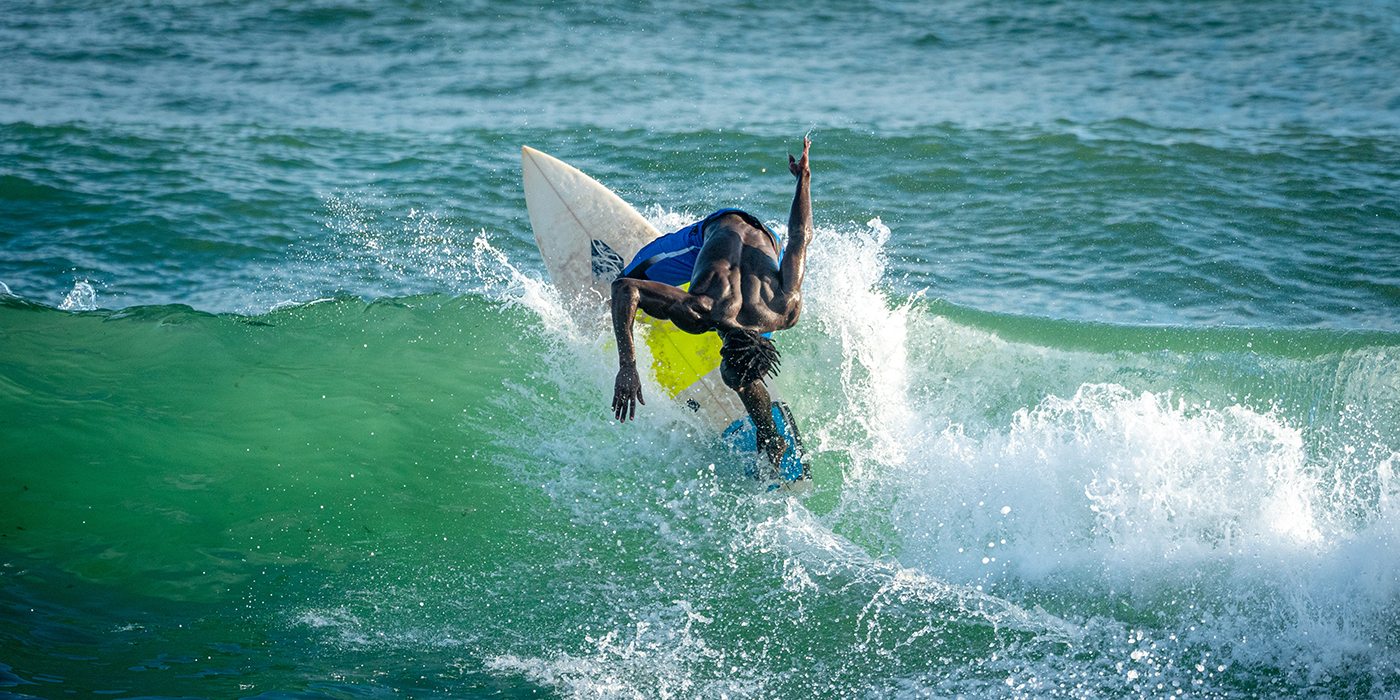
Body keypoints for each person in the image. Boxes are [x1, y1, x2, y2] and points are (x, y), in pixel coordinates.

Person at [610, 137, 812, 474]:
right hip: (716, 228)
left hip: (765, 236)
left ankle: (769, 435)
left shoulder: (785, 308)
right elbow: (625, 288)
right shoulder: (700, 309)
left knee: (743, 376)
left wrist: (803, 179)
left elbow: (800, 236)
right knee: (631, 275)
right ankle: (768, 434)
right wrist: (627, 366)